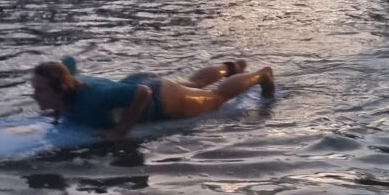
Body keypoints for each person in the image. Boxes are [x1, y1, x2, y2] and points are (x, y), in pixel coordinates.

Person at [30, 57, 275, 139]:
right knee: (195, 83)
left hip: (160, 97)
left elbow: (143, 93)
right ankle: (233, 67)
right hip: (140, 81)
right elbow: (69, 63)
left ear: (60, 89)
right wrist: (58, 111)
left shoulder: (93, 99)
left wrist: (121, 131)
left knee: (216, 97)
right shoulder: (69, 85)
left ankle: (261, 75)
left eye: (40, 90)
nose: (34, 95)